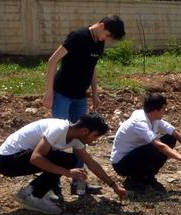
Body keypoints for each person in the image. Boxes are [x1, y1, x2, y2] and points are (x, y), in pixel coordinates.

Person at [42, 15, 126, 195]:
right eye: (108, 35)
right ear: (101, 26)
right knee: (57, 139)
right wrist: (49, 91)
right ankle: (52, 183)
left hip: (80, 97)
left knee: (81, 139)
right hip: (62, 94)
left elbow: (92, 68)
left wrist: (95, 93)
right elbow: (52, 61)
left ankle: (78, 182)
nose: (107, 40)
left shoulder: (98, 42)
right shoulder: (77, 37)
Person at [0, 113, 126, 215]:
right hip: (7, 161)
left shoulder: (75, 138)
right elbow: (36, 158)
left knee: (69, 160)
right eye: (95, 136)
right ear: (85, 131)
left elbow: (91, 163)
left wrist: (114, 186)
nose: (94, 141)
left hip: (16, 159)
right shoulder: (59, 129)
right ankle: (34, 197)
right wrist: (67, 173)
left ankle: (29, 193)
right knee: (64, 161)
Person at [110, 92, 181, 194]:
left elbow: (176, 134)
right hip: (121, 164)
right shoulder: (139, 122)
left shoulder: (153, 118)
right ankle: (135, 180)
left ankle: (148, 177)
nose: (165, 111)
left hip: (135, 156)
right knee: (154, 147)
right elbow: (159, 145)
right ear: (156, 110)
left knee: (169, 138)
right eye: (164, 109)